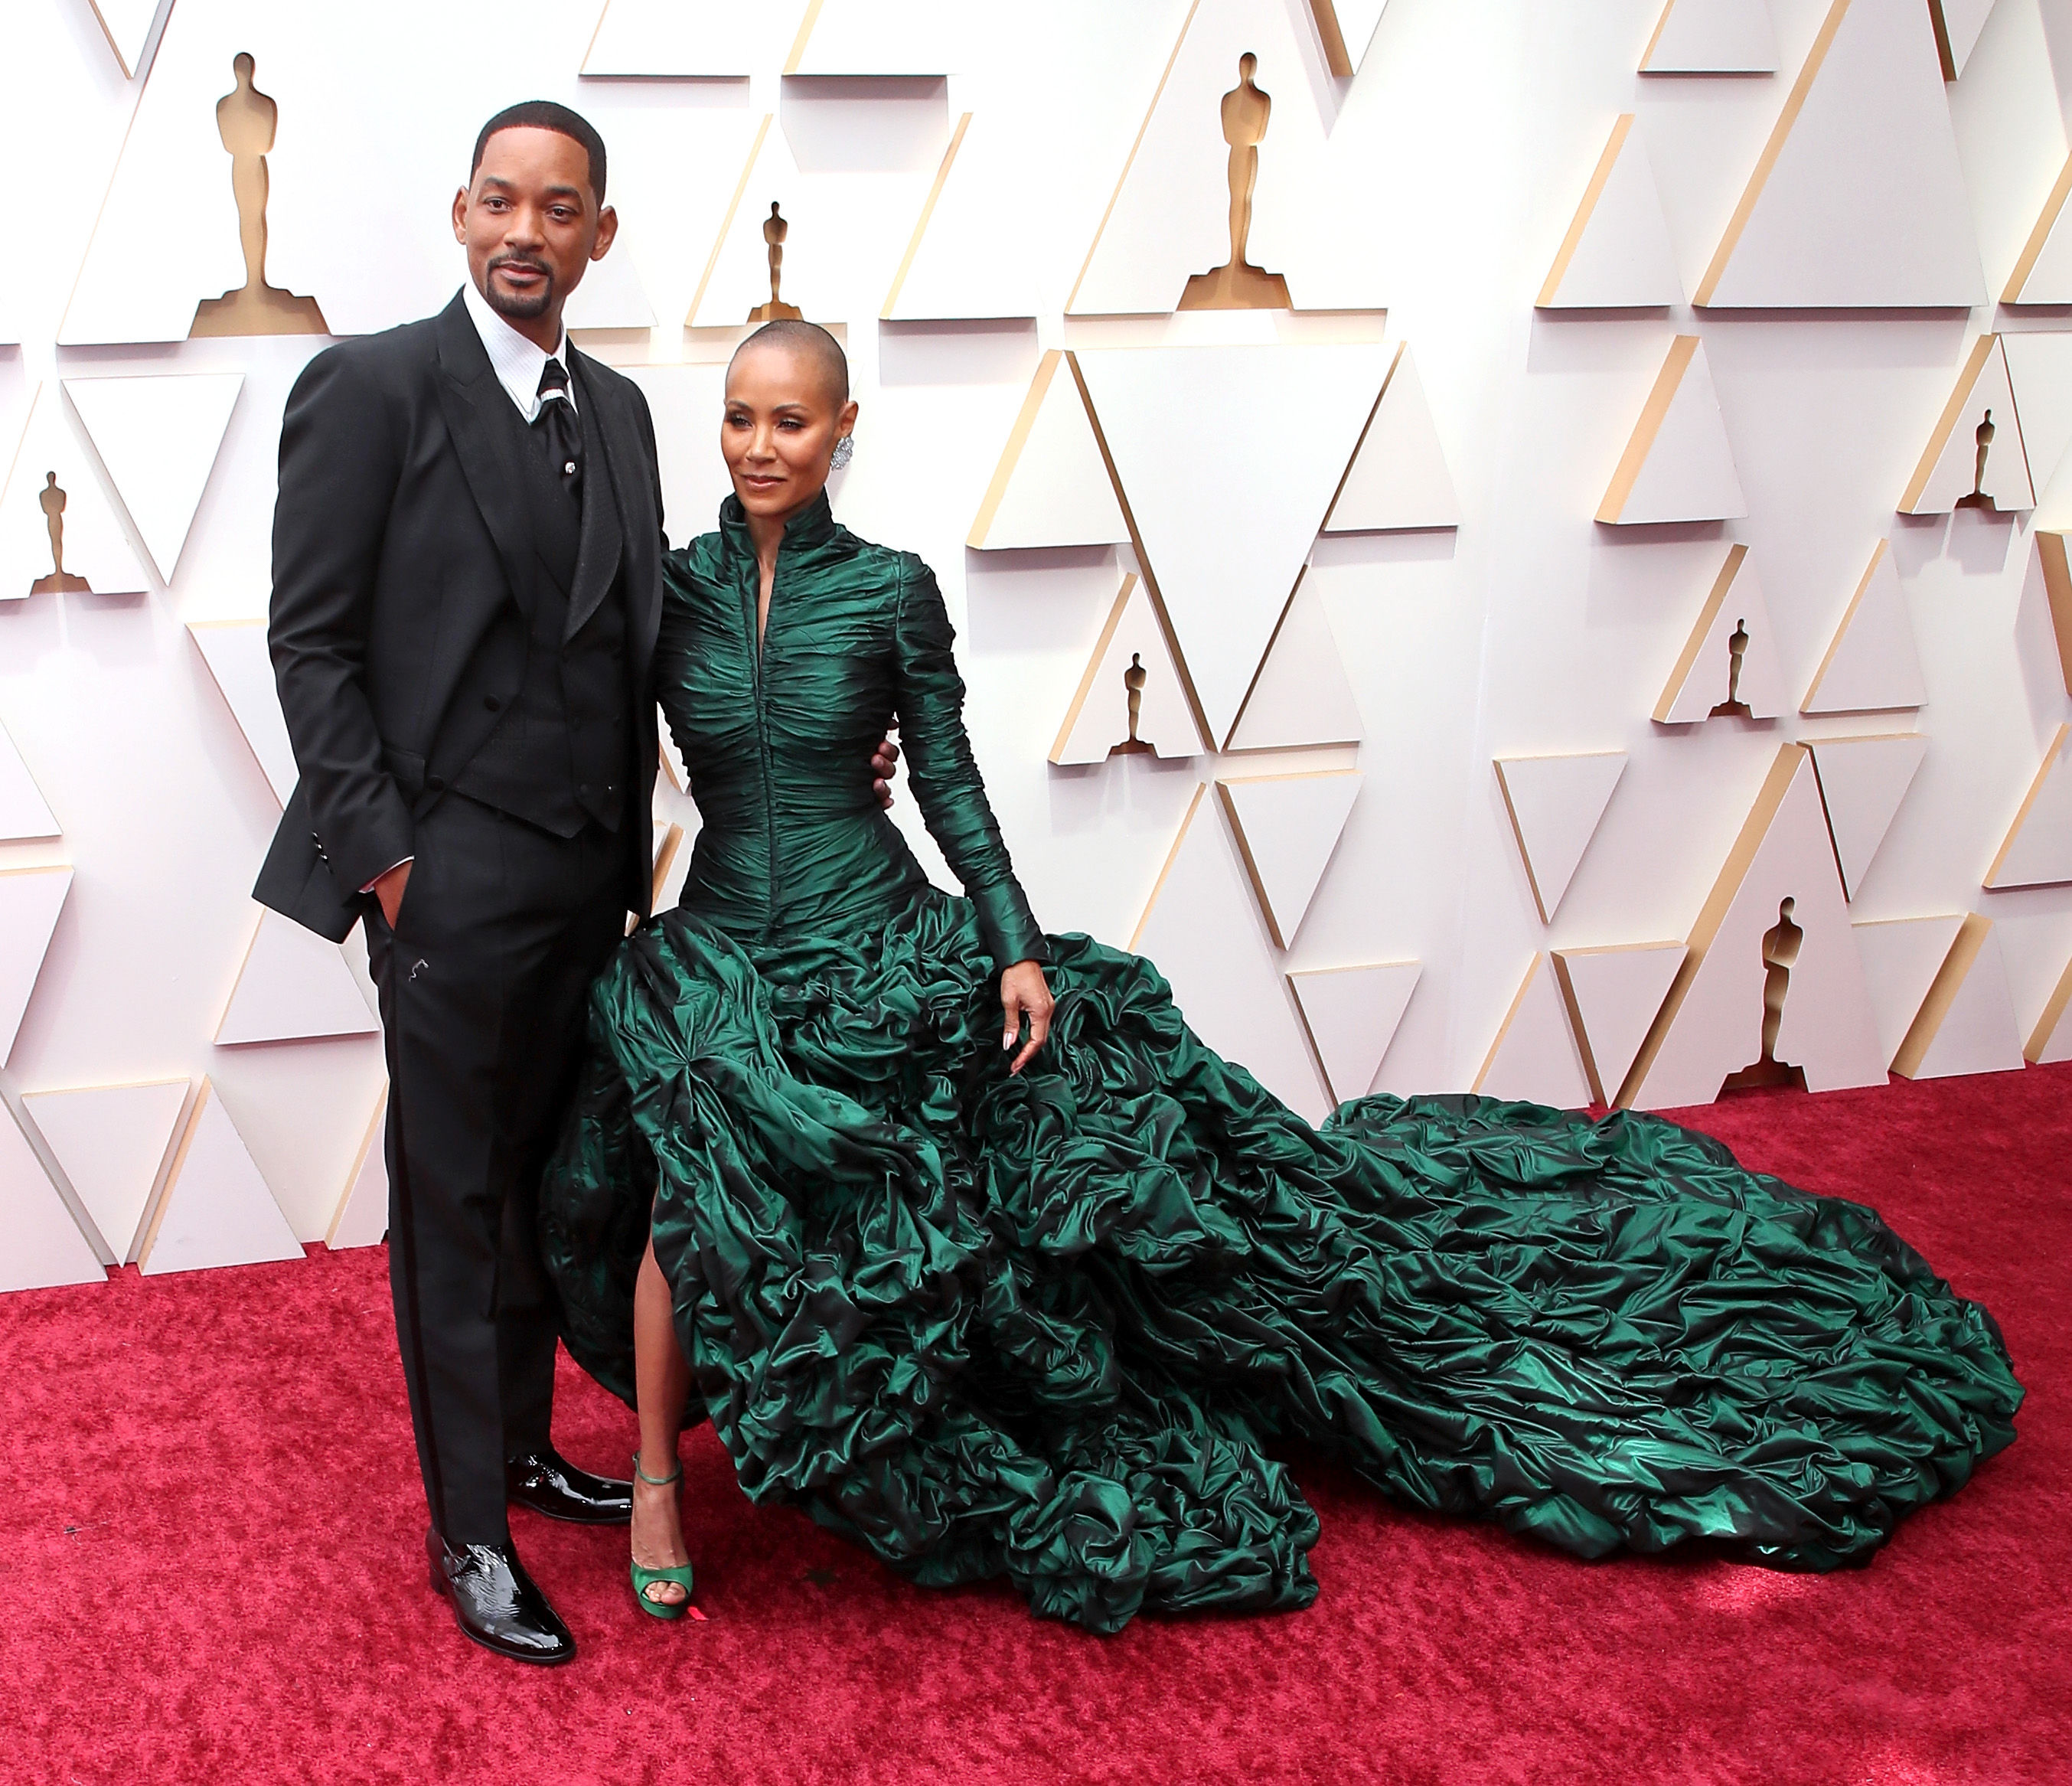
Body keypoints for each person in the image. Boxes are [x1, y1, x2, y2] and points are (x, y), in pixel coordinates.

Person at [540, 322, 2022, 1635]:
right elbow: (608, 764)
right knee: (691, 1192)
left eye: (788, 420)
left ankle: (946, 1412)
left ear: (842, 432)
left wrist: (1008, 942)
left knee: (987, 1202)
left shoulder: (890, 590)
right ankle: (663, 1485)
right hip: (722, 947)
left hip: (880, 935)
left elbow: (945, 781)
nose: (757, 444)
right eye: (737, 417)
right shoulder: (664, 592)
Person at [258, 103, 897, 1666]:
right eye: (498, 202)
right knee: (453, 1205)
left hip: (592, 880)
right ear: (460, 213)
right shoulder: (370, 387)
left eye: (558, 209)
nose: (523, 233)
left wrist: (811, 735)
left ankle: (532, 1455)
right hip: (447, 879)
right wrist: (392, 865)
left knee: (548, 1191)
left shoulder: (614, 407)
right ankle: (467, 1529)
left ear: (598, 235)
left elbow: (645, 635)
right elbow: (313, 643)